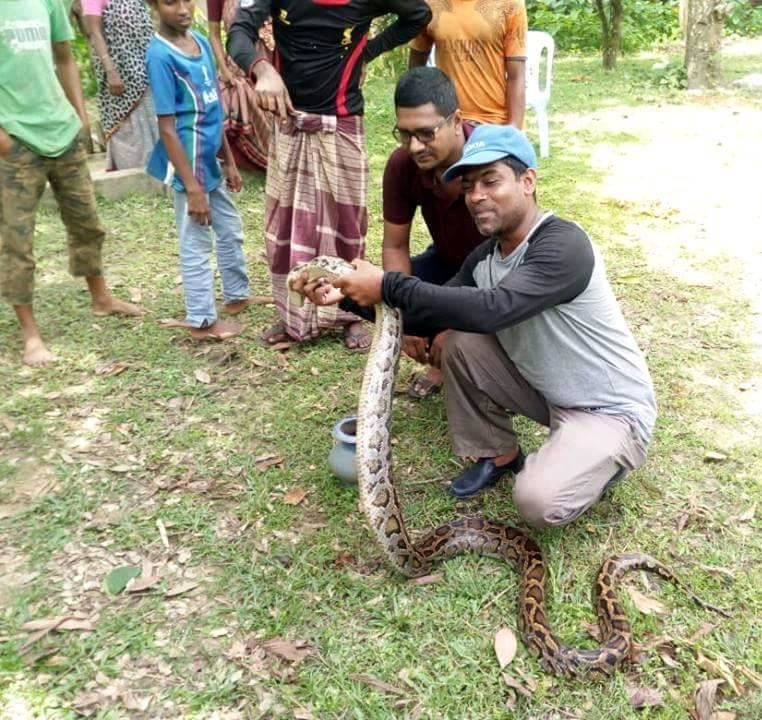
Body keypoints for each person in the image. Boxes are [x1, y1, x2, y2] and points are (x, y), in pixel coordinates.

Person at [293, 125, 657, 529]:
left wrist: (386, 283)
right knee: (458, 339)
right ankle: (499, 453)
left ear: (528, 181)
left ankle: (603, 462)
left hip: (608, 410)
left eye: (490, 181)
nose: (477, 196)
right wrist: (345, 295)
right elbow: (429, 317)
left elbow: (494, 308)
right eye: (468, 186)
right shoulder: (484, 258)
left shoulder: (564, 246)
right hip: (550, 393)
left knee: (538, 501)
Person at [227, 0, 432, 352]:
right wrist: (262, 69)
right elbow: (239, 33)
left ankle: (350, 315)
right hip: (288, 122)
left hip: (342, 122)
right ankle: (293, 313)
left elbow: (418, 15)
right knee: (286, 227)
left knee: (347, 225)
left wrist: (368, 50)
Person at [0, 0, 144, 368]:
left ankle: (101, 298)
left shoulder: (47, 1)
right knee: (17, 240)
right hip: (15, 140)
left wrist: (80, 117)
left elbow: (64, 57)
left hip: (62, 131)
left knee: (87, 223)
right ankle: (30, 333)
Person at [145, 0, 268, 341]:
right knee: (196, 241)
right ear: (154, 6)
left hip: (211, 160)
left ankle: (236, 296)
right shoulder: (159, 56)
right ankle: (201, 320)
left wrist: (228, 159)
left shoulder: (199, 41)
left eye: (187, 0)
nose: (183, 8)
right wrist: (192, 186)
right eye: (171, 2)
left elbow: (214, 110)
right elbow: (168, 128)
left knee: (230, 229)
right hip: (190, 168)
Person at [383, 66, 486, 399]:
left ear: (456, 121)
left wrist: (454, 326)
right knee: (369, 291)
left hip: (497, 275)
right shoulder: (402, 165)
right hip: (446, 262)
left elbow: (515, 259)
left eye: (427, 133)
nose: (414, 146)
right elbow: (395, 247)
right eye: (405, 134)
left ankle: (459, 360)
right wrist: (406, 319)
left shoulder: (493, 160)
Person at [408, 0, 526, 128]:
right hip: (447, 121)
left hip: (493, 122)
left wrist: (513, 128)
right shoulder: (428, 4)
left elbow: (516, 76)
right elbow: (415, 70)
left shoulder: (510, 4)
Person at [81, 0, 159, 170]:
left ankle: (157, 165)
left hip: (145, 63)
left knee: (152, 115)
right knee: (129, 125)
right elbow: (95, 32)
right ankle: (133, 170)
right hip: (119, 69)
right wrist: (111, 70)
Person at [206, 0, 273, 172]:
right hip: (237, 65)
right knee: (232, 100)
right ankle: (243, 161)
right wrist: (224, 69)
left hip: (272, 63)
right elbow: (214, 35)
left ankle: (278, 157)